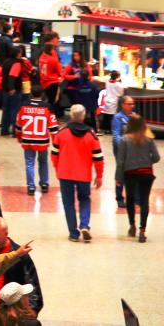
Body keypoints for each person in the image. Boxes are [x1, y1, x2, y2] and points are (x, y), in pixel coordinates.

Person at [50, 104, 104, 242]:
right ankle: (84, 225)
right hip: (84, 175)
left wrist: (57, 168)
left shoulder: (61, 133)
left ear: (71, 115)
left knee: (68, 203)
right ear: (84, 116)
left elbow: (54, 154)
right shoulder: (91, 135)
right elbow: (98, 158)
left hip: (65, 173)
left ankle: (73, 233)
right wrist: (99, 176)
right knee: (84, 199)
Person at [116, 114, 160, 242]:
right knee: (144, 201)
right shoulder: (148, 139)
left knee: (130, 199)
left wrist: (118, 178)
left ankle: (132, 226)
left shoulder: (124, 139)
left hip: (130, 174)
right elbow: (157, 157)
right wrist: (148, 161)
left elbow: (120, 161)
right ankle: (142, 230)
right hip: (146, 174)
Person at [15, 88, 57, 195]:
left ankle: (31, 187)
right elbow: (53, 127)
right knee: (43, 162)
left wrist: (19, 137)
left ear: (31, 94)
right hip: (42, 141)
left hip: (28, 140)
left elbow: (18, 125)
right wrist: (55, 140)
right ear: (42, 94)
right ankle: (44, 184)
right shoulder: (47, 107)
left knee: (29, 163)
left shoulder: (23, 106)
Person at [112, 94, 137, 208]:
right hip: (121, 151)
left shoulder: (135, 117)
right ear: (123, 105)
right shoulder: (117, 118)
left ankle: (134, 197)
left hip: (133, 151)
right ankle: (119, 198)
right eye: (129, 104)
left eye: (133, 103)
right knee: (121, 173)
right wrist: (124, 148)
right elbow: (116, 135)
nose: (132, 106)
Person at [97, 70, 124, 134]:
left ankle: (104, 128)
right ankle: (111, 129)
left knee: (106, 116)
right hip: (113, 101)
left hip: (107, 100)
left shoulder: (107, 83)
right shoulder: (118, 85)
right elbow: (121, 94)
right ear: (118, 77)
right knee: (112, 117)